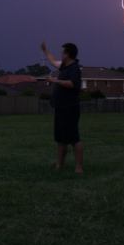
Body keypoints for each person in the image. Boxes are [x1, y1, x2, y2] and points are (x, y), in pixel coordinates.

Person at [40, 41, 83, 174]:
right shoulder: (64, 66)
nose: (61, 54)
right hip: (60, 107)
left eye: (63, 52)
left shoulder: (75, 68)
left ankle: (79, 167)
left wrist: (55, 81)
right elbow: (53, 61)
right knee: (60, 139)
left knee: (74, 139)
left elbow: (72, 84)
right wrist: (45, 50)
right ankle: (59, 164)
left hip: (70, 108)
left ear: (68, 54)